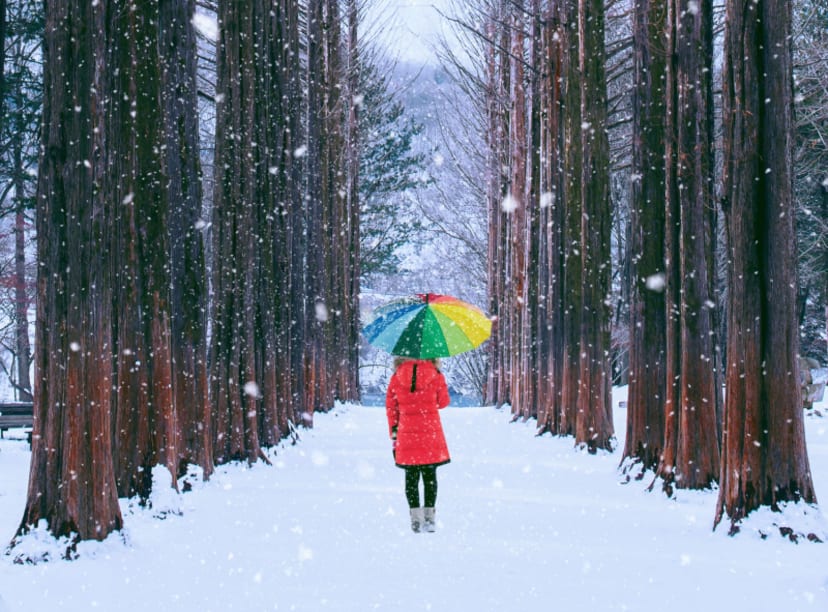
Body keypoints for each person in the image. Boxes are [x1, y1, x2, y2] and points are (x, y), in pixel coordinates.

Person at [385, 356, 451, 533]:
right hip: (430, 432)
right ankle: (429, 518)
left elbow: (391, 407)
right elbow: (443, 402)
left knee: (411, 477)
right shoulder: (435, 374)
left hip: (407, 433)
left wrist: (394, 431)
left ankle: (415, 519)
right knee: (430, 476)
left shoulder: (396, 376)